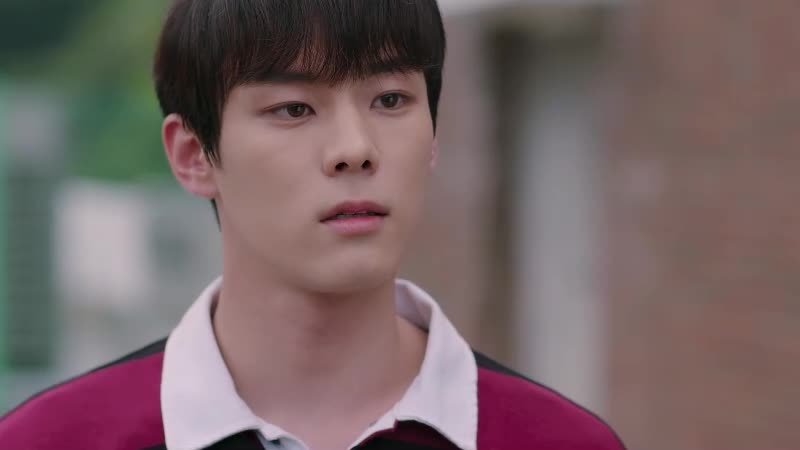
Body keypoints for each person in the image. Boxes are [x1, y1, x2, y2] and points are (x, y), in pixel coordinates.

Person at [0, 1, 626, 449]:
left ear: (433, 136)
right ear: (193, 156)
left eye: (390, 100)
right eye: (293, 109)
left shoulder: (559, 441)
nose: (355, 149)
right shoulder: (51, 441)